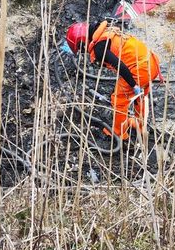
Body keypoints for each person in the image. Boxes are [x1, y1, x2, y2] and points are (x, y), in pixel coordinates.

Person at [64, 21, 160, 152]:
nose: (83, 52)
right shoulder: (105, 31)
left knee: (119, 99)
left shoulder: (99, 48)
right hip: (151, 61)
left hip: (139, 69)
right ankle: (139, 122)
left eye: (81, 49)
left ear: (82, 42)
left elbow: (120, 65)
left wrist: (133, 84)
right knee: (140, 97)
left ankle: (119, 133)